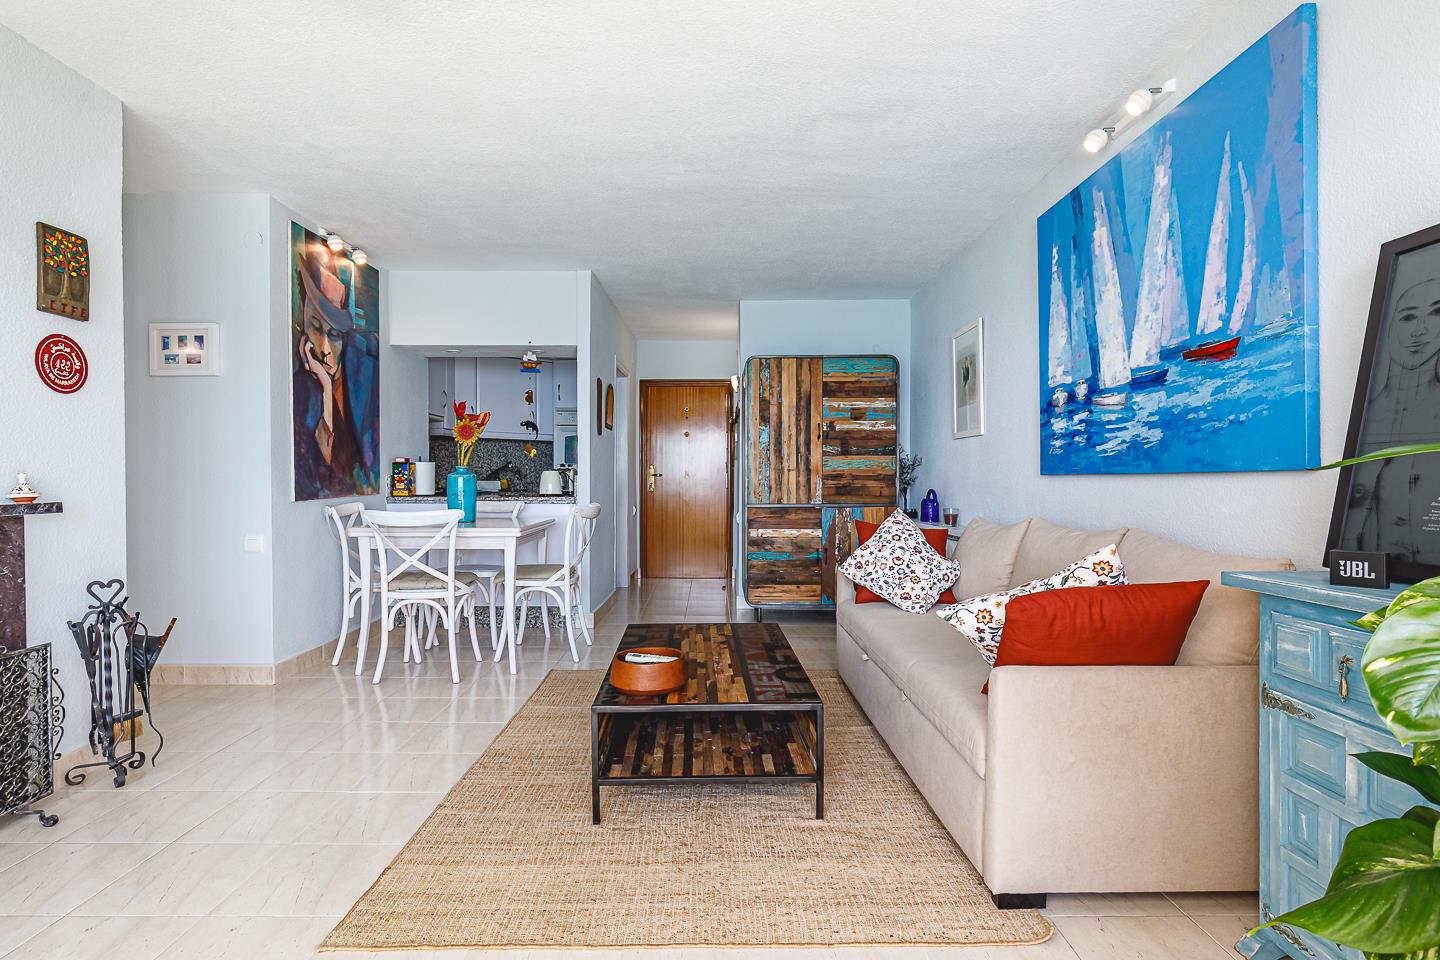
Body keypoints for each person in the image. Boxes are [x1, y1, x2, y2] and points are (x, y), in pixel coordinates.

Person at [293, 237, 376, 498]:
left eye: (335, 334)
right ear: (303, 323)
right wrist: (326, 390)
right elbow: (322, 469)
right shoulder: (299, 389)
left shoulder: (367, 372)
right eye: (316, 329)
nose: (326, 348)